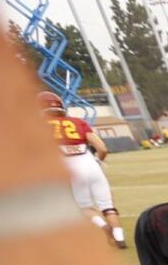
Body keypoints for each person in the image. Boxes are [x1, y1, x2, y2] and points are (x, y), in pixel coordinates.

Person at [41, 91, 126, 249]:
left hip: (70, 170)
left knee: (85, 207)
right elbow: (101, 148)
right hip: (92, 166)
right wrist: (98, 161)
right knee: (108, 206)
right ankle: (120, 237)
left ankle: (103, 227)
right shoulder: (78, 122)